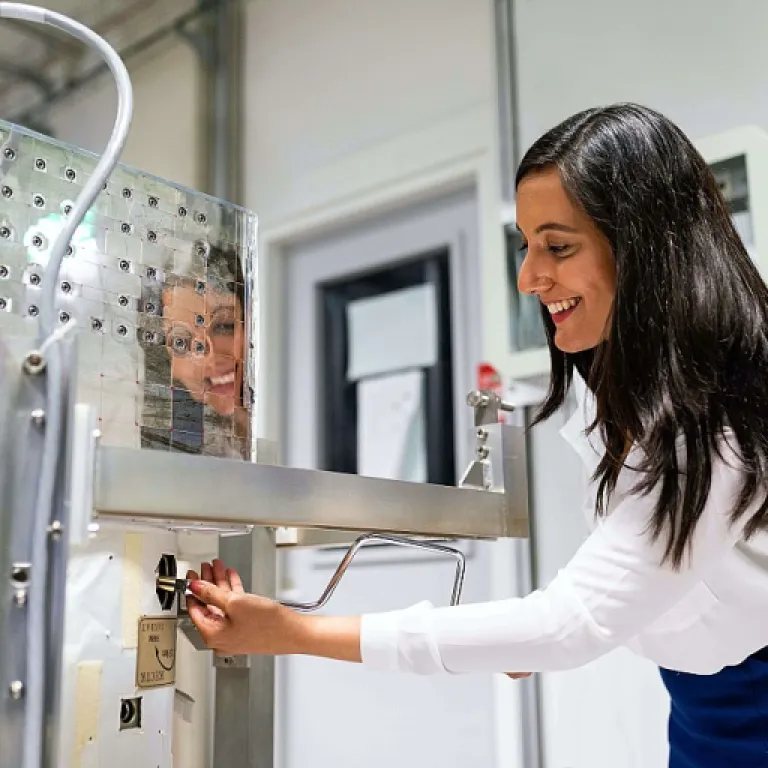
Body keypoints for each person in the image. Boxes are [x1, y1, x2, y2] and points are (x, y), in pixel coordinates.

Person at [184, 104, 768, 767]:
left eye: (558, 245)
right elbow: (626, 573)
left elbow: (570, 623)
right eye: (526, 244)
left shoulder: (712, 420)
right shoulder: (608, 385)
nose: (528, 277)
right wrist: (516, 636)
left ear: (644, 246)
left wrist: (292, 631)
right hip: (700, 705)